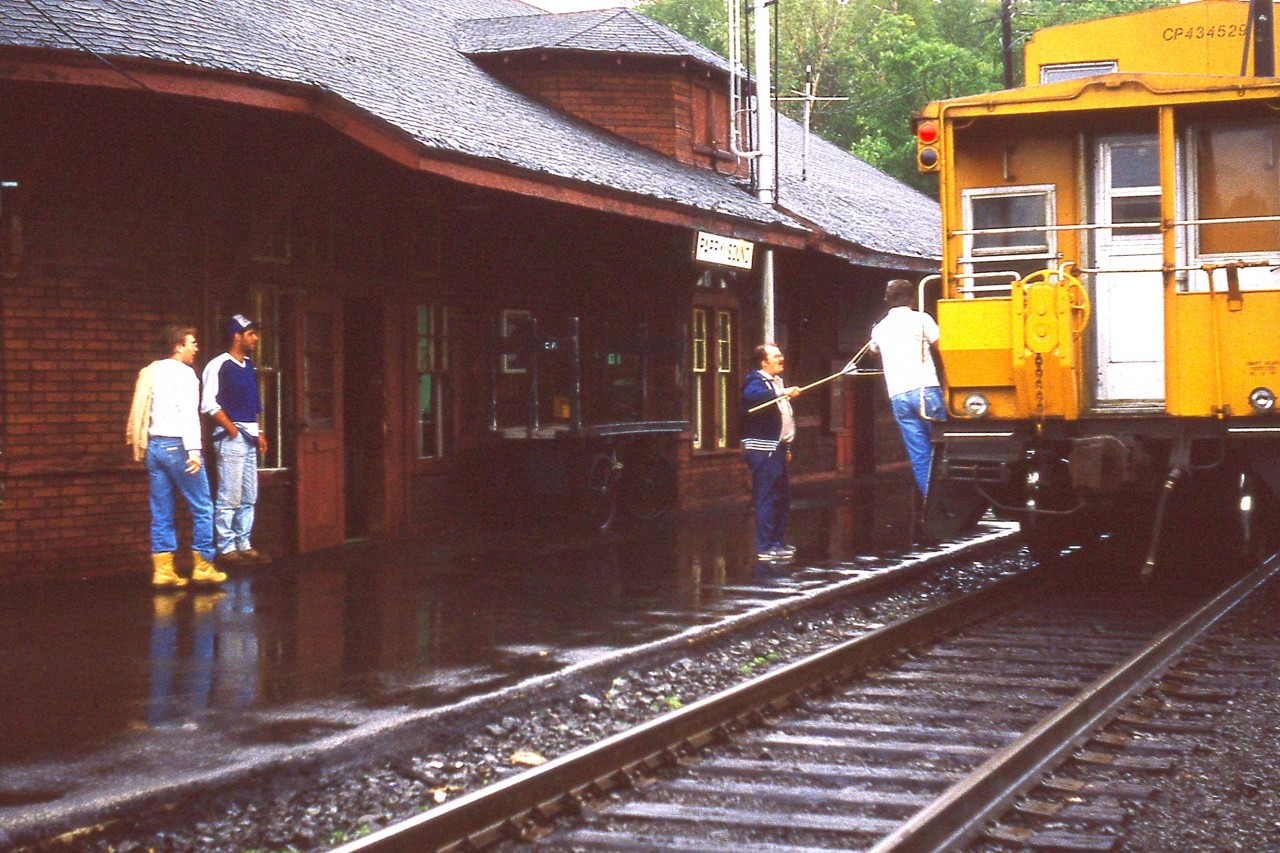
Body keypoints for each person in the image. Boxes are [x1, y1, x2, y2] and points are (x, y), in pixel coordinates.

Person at [127, 325, 226, 588]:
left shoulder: (151, 371)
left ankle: (163, 570)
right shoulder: (186, 374)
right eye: (191, 343)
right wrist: (194, 451)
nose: (196, 347)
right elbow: (188, 415)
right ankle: (204, 565)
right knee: (202, 505)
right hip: (178, 446)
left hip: (154, 447)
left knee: (161, 510)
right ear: (177, 346)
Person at [201, 314, 271, 565]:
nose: (256, 338)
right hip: (231, 437)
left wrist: (259, 431)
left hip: (249, 436)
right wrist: (230, 428)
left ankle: (244, 543)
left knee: (248, 494)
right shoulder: (219, 364)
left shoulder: (249, 365)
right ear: (236, 336)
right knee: (229, 494)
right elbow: (208, 403)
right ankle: (227, 547)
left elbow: (253, 403)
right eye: (251, 334)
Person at [869, 278, 946, 497]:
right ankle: (951, 498)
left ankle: (931, 502)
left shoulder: (880, 328)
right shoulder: (922, 319)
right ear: (912, 299)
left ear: (888, 300)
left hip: (899, 396)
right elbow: (943, 347)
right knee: (943, 448)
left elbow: (873, 350)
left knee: (919, 455)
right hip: (926, 390)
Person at [739, 343, 802, 561]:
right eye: (776, 356)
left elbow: (783, 419)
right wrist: (782, 392)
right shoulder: (755, 381)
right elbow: (753, 396)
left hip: (778, 449)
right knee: (767, 497)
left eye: (781, 354)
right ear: (764, 362)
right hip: (763, 451)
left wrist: (788, 446)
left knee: (782, 498)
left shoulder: (775, 382)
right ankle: (765, 547)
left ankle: (777, 543)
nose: (781, 358)